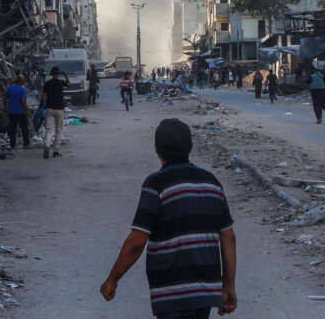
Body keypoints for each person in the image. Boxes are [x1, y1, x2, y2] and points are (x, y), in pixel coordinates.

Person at [100, 118, 238, 318]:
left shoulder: (156, 184)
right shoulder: (212, 182)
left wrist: (113, 279)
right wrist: (228, 285)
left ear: (156, 149)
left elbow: (137, 242)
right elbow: (229, 237)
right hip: (206, 292)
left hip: (172, 293)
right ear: (190, 147)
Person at [40, 66, 70, 159]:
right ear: (58, 74)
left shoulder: (47, 83)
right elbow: (68, 84)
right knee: (58, 130)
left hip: (49, 109)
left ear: (51, 74)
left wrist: (42, 104)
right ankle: (56, 152)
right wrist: (65, 76)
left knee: (49, 129)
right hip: (59, 109)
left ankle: (47, 145)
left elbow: (43, 96)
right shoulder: (61, 83)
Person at [5, 74, 30, 150]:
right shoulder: (23, 89)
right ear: (21, 81)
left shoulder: (10, 88)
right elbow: (23, 101)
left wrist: (5, 108)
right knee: (24, 128)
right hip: (21, 112)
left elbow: (5, 99)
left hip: (12, 112)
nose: (24, 82)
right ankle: (26, 143)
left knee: (13, 129)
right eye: (23, 80)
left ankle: (12, 144)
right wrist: (27, 111)